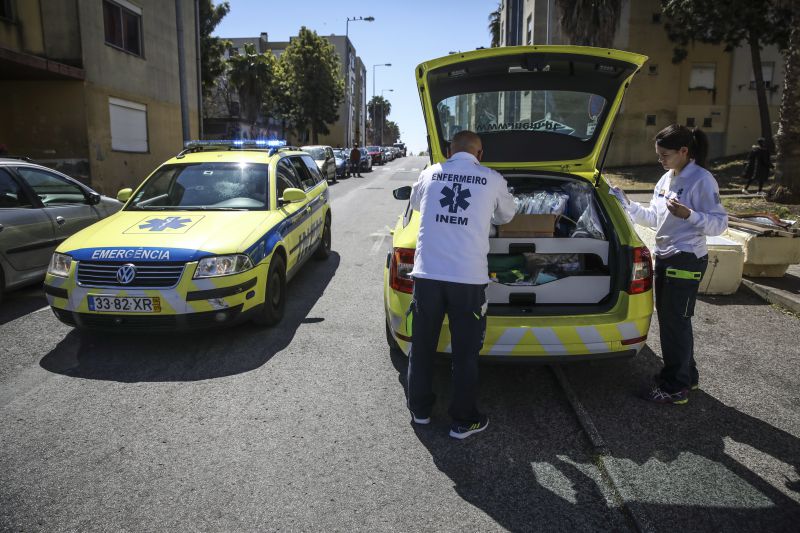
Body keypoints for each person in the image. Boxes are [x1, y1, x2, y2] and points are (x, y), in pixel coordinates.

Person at [407, 130, 516, 439]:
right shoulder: (491, 178)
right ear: (480, 154)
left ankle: (420, 411)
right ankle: (462, 420)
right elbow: (507, 215)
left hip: (427, 277)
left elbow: (416, 204)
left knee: (423, 346)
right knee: (465, 353)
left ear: (449, 151)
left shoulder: (430, 173)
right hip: (467, 282)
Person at [613, 124, 728, 405]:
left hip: (686, 258)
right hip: (666, 256)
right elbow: (654, 218)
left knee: (675, 323)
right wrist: (627, 204)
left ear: (684, 152)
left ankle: (675, 387)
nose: (660, 160)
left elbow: (719, 224)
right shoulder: (666, 179)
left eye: (665, 155)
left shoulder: (702, 180)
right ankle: (688, 375)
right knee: (671, 321)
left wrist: (690, 215)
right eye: (658, 155)